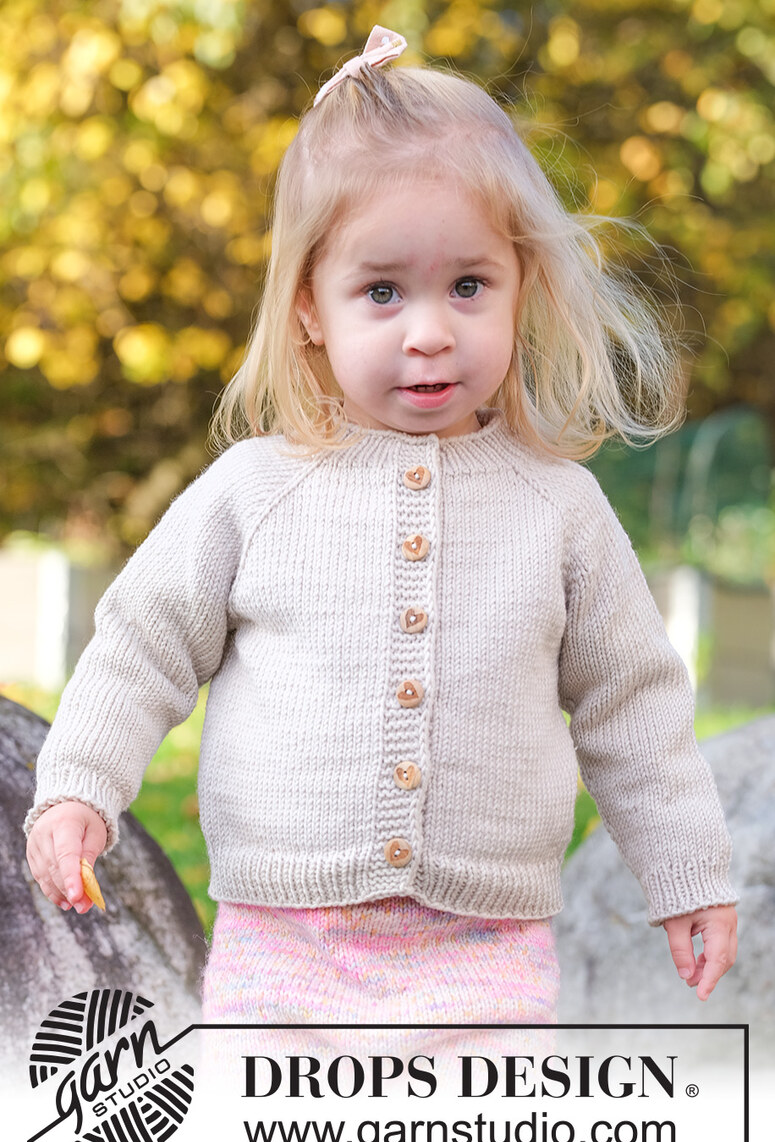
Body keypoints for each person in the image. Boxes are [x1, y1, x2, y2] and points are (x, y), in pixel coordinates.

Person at [24, 28, 737, 1031]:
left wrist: (687, 872)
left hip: (485, 952)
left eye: (468, 286)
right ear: (309, 307)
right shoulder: (255, 491)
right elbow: (142, 644)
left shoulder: (559, 509)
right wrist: (78, 788)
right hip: (283, 947)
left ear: (521, 286)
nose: (430, 332)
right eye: (382, 291)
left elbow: (633, 704)